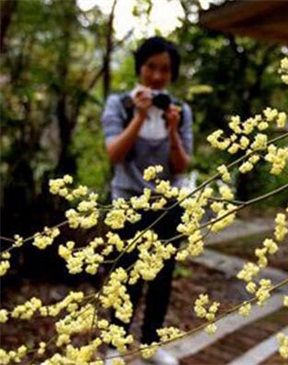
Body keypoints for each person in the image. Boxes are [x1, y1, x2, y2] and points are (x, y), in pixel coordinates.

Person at [101, 36, 192, 365]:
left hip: (168, 204)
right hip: (127, 203)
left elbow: (182, 165)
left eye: (164, 70)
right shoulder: (120, 105)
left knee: (162, 278)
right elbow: (114, 154)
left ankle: (151, 344)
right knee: (125, 275)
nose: (156, 76)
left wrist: (172, 130)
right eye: (151, 67)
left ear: (172, 74)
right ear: (140, 67)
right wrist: (139, 116)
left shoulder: (179, 110)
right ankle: (115, 345)